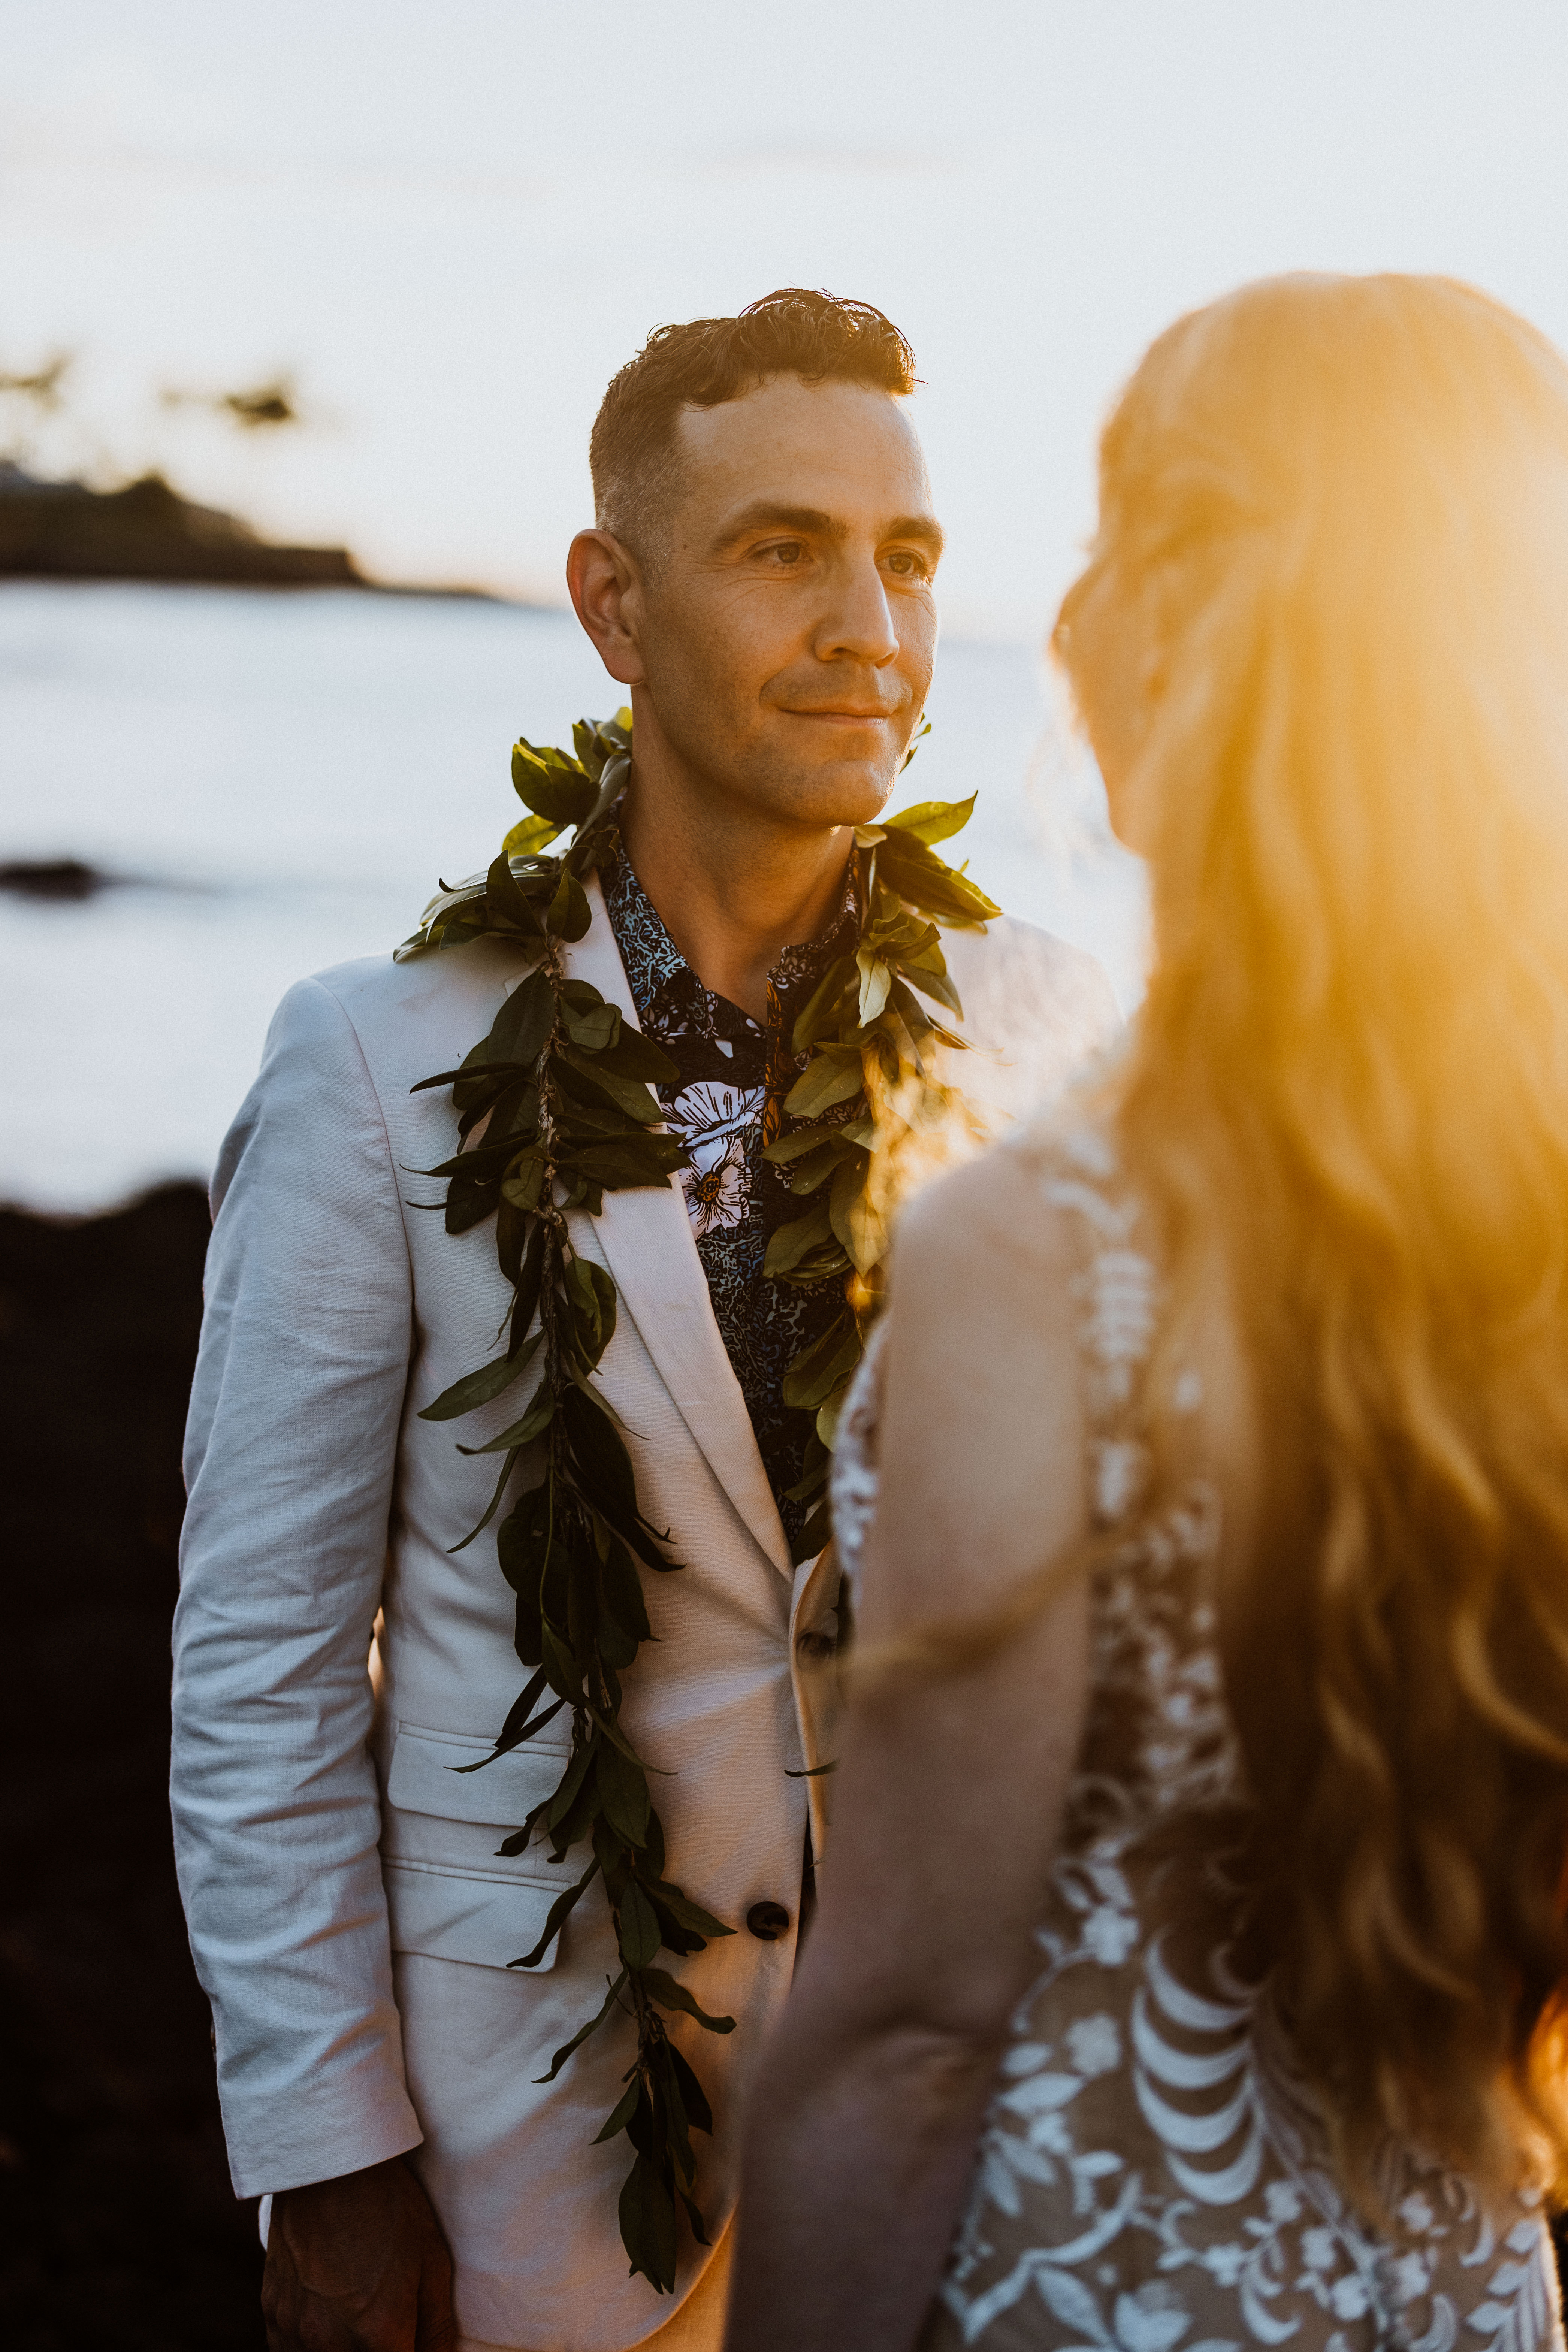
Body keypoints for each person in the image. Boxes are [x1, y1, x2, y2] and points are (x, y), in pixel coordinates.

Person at [170, 288, 1117, 2352]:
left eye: (912, 556)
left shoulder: (1061, 1039)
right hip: (539, 2175)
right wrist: (328, 2159)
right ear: (613, 601)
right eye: (784, 548)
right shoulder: (372, 1060)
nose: (869, 619)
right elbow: (261, 1652)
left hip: (983, 2145)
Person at [724, 272, 1568, 2352]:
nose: (1066, 609)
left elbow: (913, 2029)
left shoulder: (1052, 1243)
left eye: (1108, 538)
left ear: (1182, 623)